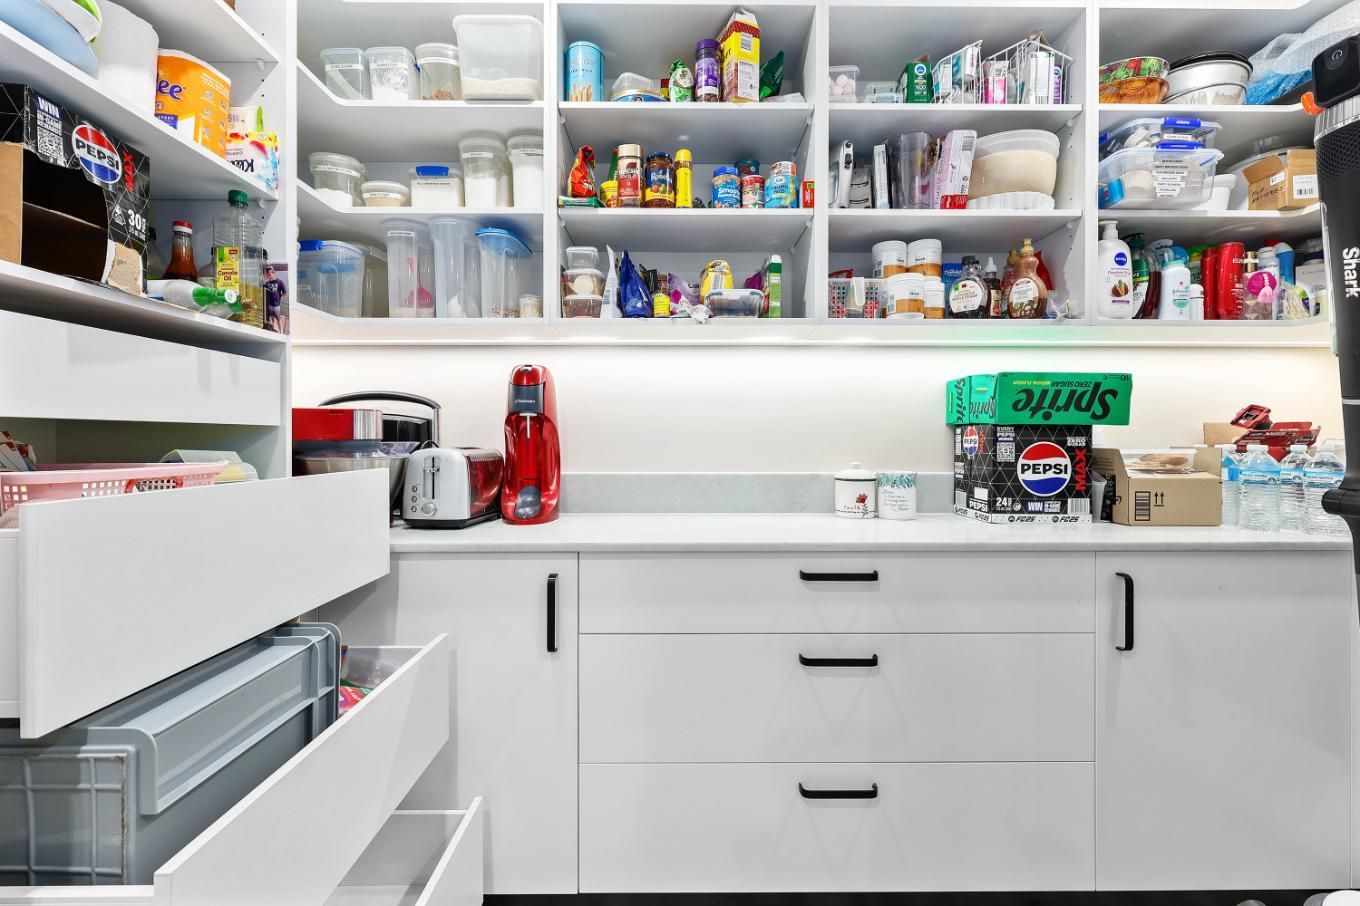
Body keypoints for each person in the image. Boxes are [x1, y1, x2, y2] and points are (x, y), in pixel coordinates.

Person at [263, 262, 288, 334]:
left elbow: (284, 292)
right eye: (268, 275)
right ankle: (273, 329)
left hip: (276, 305)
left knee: (278, 318)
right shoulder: (267, 283)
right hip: (269, 304)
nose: (269, 276)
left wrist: (279, 296)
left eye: (270, 274)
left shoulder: (280, 282)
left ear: (274, 273)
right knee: (272, 318)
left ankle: (281, 332)